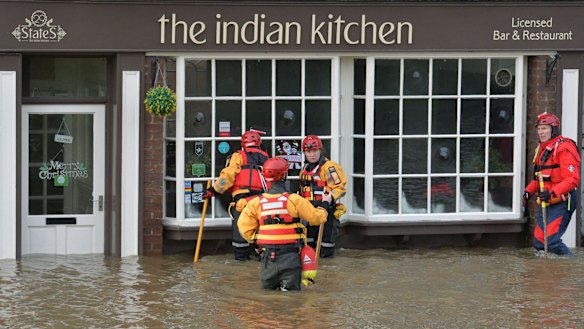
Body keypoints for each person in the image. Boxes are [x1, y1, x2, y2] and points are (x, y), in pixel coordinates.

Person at [237, 157, 331, 291]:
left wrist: (256, 241)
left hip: (268, 258)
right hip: (290, 257)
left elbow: (244, 227)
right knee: (291, 297)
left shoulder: (255, 203)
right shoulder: (294, 200)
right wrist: (325, 204)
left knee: (268, 297)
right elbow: (317, 218)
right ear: (285, 175)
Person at [203, 130, 270, 261]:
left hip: (242, 201)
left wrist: (213, 190)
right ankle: (261, 256)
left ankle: (241, 261)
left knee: (240, 233)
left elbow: (228, 176)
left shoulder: (238, 156)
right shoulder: (267, 159)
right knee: (261, 233)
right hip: (262, 201)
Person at [523, 112, 580, 256]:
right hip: (546, 199)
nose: (541, 132)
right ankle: (549, 274)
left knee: (551, 241)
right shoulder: (541, 149)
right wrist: (528, 192)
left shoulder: (564, 148)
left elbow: (572, 180)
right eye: (539, 129)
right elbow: (540, 178)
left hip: (563, 200)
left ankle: (570, 267)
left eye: (545, 128)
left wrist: (552, 193)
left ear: (553, 129)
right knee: (539, 242)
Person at [298, 135, 347, 258]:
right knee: (307, 245)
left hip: (325, 210)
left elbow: (339, 188)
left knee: (326, 246)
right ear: (304, 153)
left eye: (315, 151)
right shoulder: (304, 169)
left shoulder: (330, 168)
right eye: (308, 152)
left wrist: (328, 200)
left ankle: (328, 270)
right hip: (308, 211)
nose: (312, 155)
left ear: (320, 150)